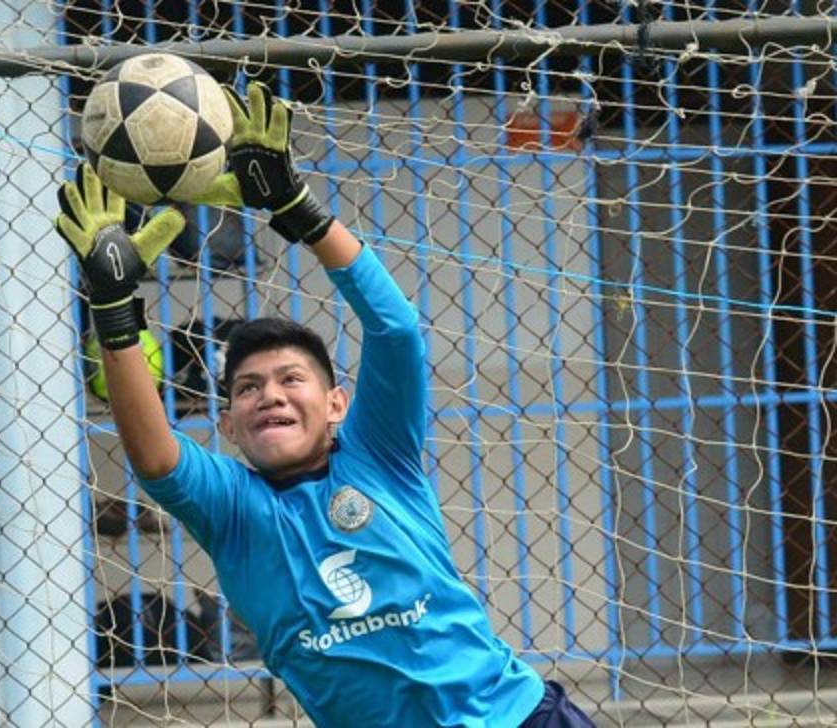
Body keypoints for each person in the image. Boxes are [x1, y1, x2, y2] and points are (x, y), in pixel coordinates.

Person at [55, 81, 595, 727]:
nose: (270, 394)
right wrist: (113, 306)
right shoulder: (232, 508)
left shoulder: (379, 456)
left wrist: (299, 209)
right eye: (248, 388)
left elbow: (395, 329)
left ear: (337, 403)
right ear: (228, 424)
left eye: (291, 379)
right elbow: (154, 456)